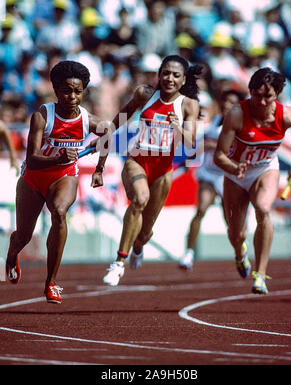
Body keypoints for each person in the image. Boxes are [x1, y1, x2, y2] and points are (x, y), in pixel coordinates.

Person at [91, 55, 200, 286]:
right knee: (139, 200)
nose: (169, 78)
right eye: (166, 73)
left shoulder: (188, 105)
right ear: (159, 75)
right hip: (137, 160)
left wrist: (177, 126)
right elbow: (124, 114)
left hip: (163, 170)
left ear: (183, 80)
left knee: (146, 231)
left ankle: (138, 245)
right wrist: (106, 135)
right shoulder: (145, 94)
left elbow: (191, 145)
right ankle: (118, 263)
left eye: (176, 75)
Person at [5, 60, 102, 304]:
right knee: (24, 236)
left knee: (59, 212)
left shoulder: (87, 121)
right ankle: (13, 251)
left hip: (64, 175)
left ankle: (51, 282)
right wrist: (58, 156)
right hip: (33, 178)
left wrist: (99, 169)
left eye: (78, 91)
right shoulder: (42, 116)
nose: (72, 96)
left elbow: (109, 133)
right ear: (56, 90)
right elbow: (33, 160)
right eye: (67, 90)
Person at [214, 67, 291, 294]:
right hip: (235, 173)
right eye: (257, 95)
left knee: (263, 209)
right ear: (250, 91)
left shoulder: (288, 115)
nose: (261, 102)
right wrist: (234, 167)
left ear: (278, 95)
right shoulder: (236, 114)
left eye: (268, 96)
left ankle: (260, 274)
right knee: (236, 233)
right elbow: (219, 156)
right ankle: (240, 253)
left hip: (265, 169)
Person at [178, 89, 244, 270]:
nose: (227, 105)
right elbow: (200, 143)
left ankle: (239, 253)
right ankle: (188, 254)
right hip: (208, 172)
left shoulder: (239, 125)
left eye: (231, 102)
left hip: (226, 175)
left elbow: (234, 147)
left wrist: (212, 145)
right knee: (200, 210)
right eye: (225, 101)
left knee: (229, 221)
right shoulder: (215, 121)